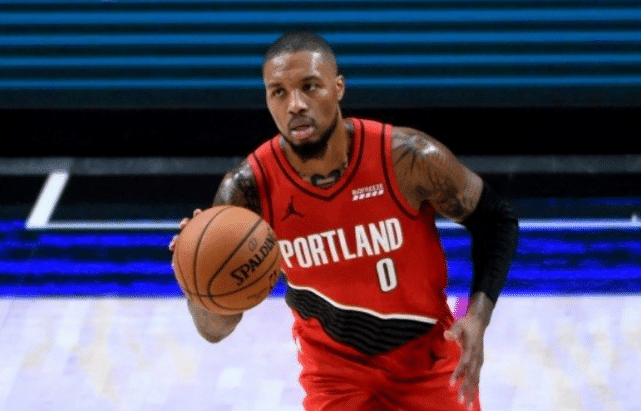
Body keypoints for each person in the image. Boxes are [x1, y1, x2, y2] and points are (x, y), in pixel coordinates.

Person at [170, 31, 518, 411]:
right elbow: (215, 330)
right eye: (279, 92)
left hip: (427, 356)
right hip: (334, 374)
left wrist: (477, 317)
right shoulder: (247, 189)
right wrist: (196, 273)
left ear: (338, 88)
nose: (295, 105)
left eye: (309, 87)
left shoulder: (407, 158)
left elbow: (496, 221)